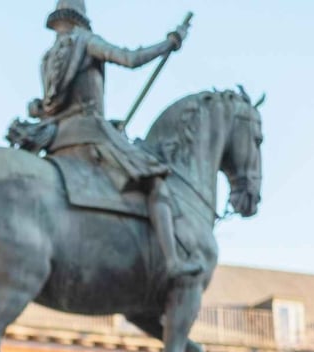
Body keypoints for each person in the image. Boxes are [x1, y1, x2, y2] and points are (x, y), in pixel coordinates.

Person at [20, 0, 198, 282]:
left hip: (57, 141)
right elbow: (130, 59)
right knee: (155, 183)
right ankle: (173, 261)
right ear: (81, 19)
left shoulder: (48, 57)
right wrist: (169, 43)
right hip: (90, 135)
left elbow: (48, 105)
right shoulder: (87, 42)